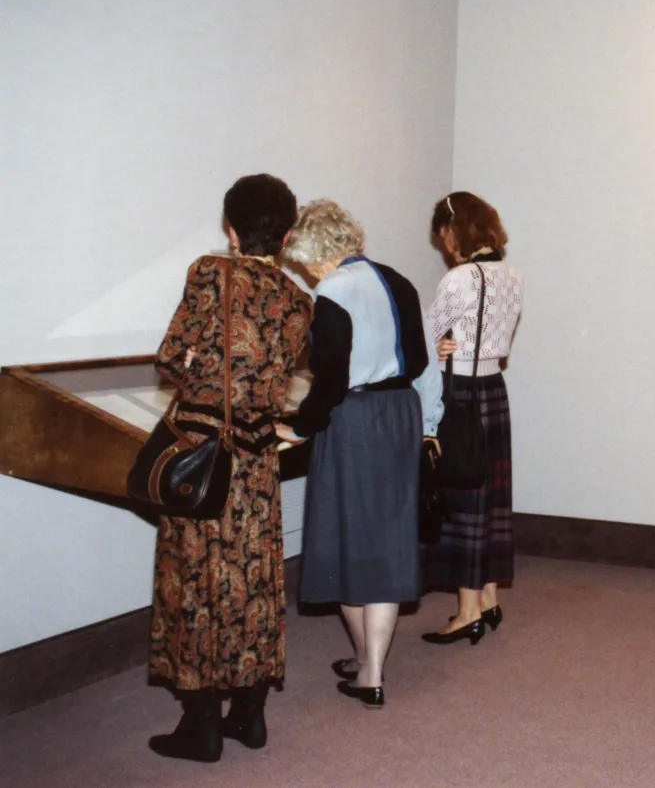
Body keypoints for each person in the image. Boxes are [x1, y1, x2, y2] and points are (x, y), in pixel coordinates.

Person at [148, 174, 312, 762]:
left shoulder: (209, 273)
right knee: (253, 583)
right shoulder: (299, 300)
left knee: (195, 581)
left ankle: (201, 726)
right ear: (288, 233)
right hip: (257, 464)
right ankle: (250, 716)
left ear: (230, 226)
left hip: (202, 458)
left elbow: (171, 358)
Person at [275, 199, 442, 708]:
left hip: (354, 420)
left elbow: (330, 381)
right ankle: (370, 664)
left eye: (302, 261)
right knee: (387, 539)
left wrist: (298, 429)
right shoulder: (397, 280)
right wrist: (430, 423)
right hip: (401, 412)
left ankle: (369, 669)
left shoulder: (330, 293)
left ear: (313, 252)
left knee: (347, 539)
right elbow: (420, 359)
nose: (303, 270)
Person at [421, 191, 523, 645]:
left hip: (459, 392)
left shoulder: (461, 279)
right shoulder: (512, 274)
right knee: (491, 494)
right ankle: (488, 597)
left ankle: (466, 612)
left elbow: (422, 335)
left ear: (451, 230)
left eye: (443, 235)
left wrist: (438, 343)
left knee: (462, 492)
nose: (443, 245)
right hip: (492, 391)